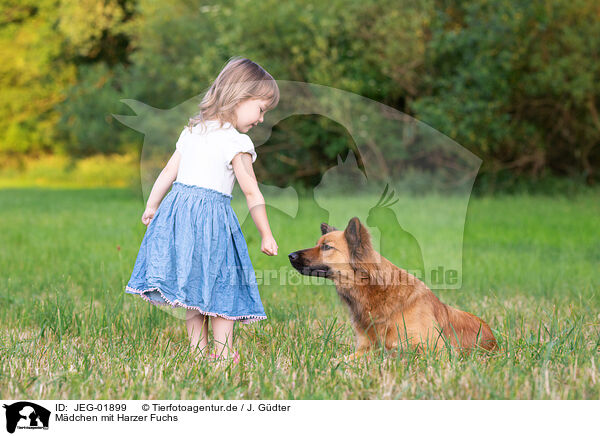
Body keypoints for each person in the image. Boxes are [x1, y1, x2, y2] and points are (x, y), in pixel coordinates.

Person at [125, 57, 279, 364]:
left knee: (191, 284)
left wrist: (153, 204)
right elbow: (251, 191)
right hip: (211, 222)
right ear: (240, 97)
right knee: (224, 282)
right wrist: (266, 233)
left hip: (179, 216)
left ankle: (199, 352)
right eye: (261, 109)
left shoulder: (192, 132)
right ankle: (220, 354)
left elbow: (168, 174)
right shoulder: (236, 142)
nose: (262, 119)